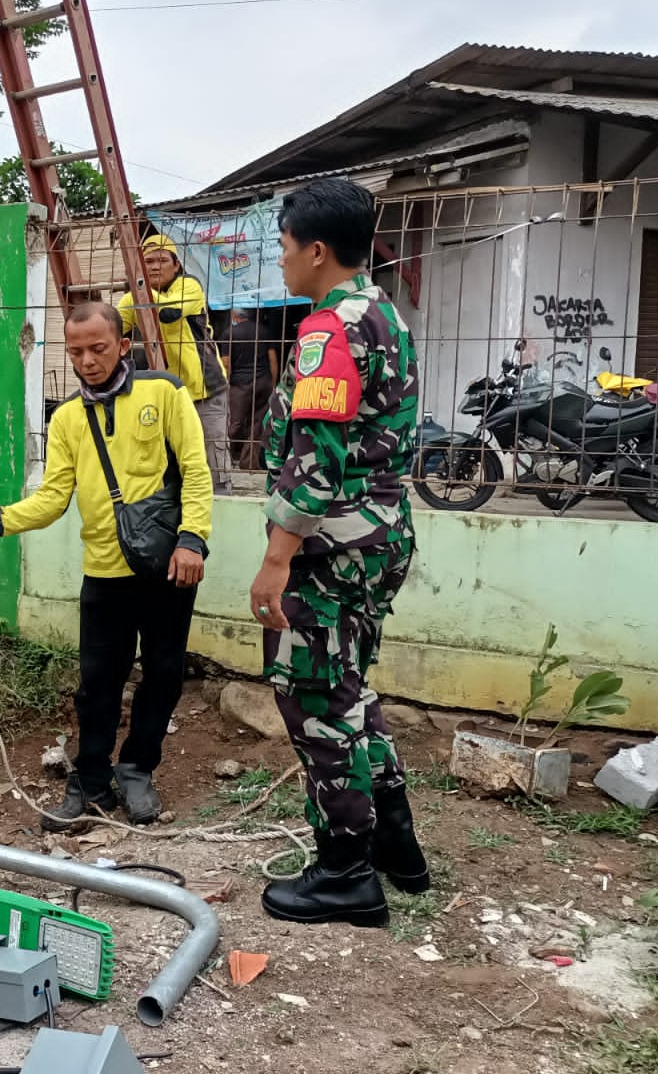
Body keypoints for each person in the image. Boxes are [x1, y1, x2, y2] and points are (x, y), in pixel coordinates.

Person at [247, 178, 426, 929]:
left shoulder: (330, 328)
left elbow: (317, 457)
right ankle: (396, 845)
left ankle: (345, 871)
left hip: (331, 547)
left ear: (317, 251)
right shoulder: (386, 313)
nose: (281, 263)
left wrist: (278, 555)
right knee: (349, 686)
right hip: (380, 534)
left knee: (317, 697)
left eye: (284, 248)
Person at [0, 301, 212, 829]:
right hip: (104, 570)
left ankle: (136, 769)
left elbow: (197, 471)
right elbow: (54, 497)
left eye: (98, 348)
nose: (86, 360)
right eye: (76, 351)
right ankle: (90, 780)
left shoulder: (165, 394)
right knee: (96, 683)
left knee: (164, 674)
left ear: (122, 345)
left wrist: (192, 539)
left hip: (167, 566)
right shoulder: (66, 418)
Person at [117, 234, 234, 496]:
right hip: (166, 393)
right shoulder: (134, 298)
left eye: (161, 260)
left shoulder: (189, 286)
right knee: (171, 455)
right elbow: (114, 328)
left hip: (205, 387)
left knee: (212, 452)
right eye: (147, 262)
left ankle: (221, 498)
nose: (154, 266)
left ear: (177, 265)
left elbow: (169, 313)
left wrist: (135, 295)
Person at [225, 307, 281, 469]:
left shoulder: (230, 333)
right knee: (257, 425)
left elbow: (226, 362)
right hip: (263, 382)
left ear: (235, 315)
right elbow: (273, 360)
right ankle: (248, 463)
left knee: (234, 423)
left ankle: (226, 457)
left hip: (239, 385)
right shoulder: (263, 331)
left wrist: (226, 384)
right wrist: (272, 383)